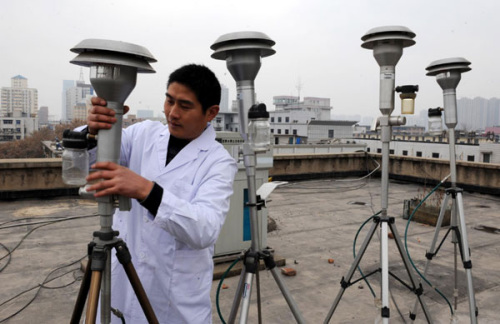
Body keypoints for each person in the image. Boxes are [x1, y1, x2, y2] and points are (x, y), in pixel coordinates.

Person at [85, 64, 238, 323]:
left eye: (185, 106)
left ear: (211, 112)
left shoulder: (218, 162)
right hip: (124, 281)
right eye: (169, 101)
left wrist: (146, 190)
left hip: (174, 299)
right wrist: (95, 131)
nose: (173, 113)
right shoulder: (144, 133)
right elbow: (94, 163)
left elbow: (205, 229)